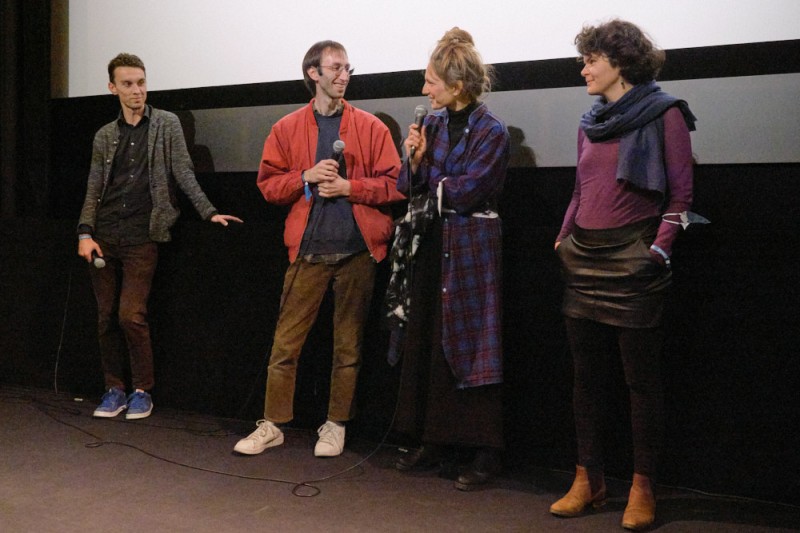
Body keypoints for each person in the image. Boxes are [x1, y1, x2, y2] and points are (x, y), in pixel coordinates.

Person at [549, 20, 696, 530]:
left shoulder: (665, 113)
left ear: (620, 62)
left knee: (640, 383)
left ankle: (642, 486)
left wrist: (659, 249)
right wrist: (563, 238)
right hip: (584, 258)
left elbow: (681, 198)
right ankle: (588, 479)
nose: (584, 70)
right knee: (585, 381)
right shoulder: (590, 122)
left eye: (591, 60)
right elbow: (579, 190)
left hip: (634, 260)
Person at [233, 40, 402, 458]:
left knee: (348, 347)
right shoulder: (287, 128)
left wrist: (350, 187)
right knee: (285, 346)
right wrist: (304, 177)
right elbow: (268, 186)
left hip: (357, 253)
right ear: (314, 73)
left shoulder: (371, 127)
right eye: (336, 68)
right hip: (308, 252)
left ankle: (336, 424)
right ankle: (273, 424)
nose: (344, 76)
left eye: (347, 68)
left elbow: (396, 185)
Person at [77, 53, 243, 420]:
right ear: (113, 88)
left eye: (141, 82)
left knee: (130, 315)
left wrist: (209, 211)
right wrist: (85, 232)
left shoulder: (166, 124)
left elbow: (183, 172)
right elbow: (93, 188)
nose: (136, 90)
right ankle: (114, 388)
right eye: (127, 84)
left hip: (142, 235)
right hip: (105, 234)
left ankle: (142, 390)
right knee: (105, 317)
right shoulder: (105, 135)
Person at [386, 27, 509, 491]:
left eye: (431, 82)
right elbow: (406, 186)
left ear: (457, 86)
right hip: (432, 245)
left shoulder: (492, 131)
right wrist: (414, 161)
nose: (424, 90)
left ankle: (483, 450)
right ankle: (432, 439)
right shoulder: (432, 126)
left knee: (472, 345)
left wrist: (430, 178)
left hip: (471, 251)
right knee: (430, 342)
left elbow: (469, 191)